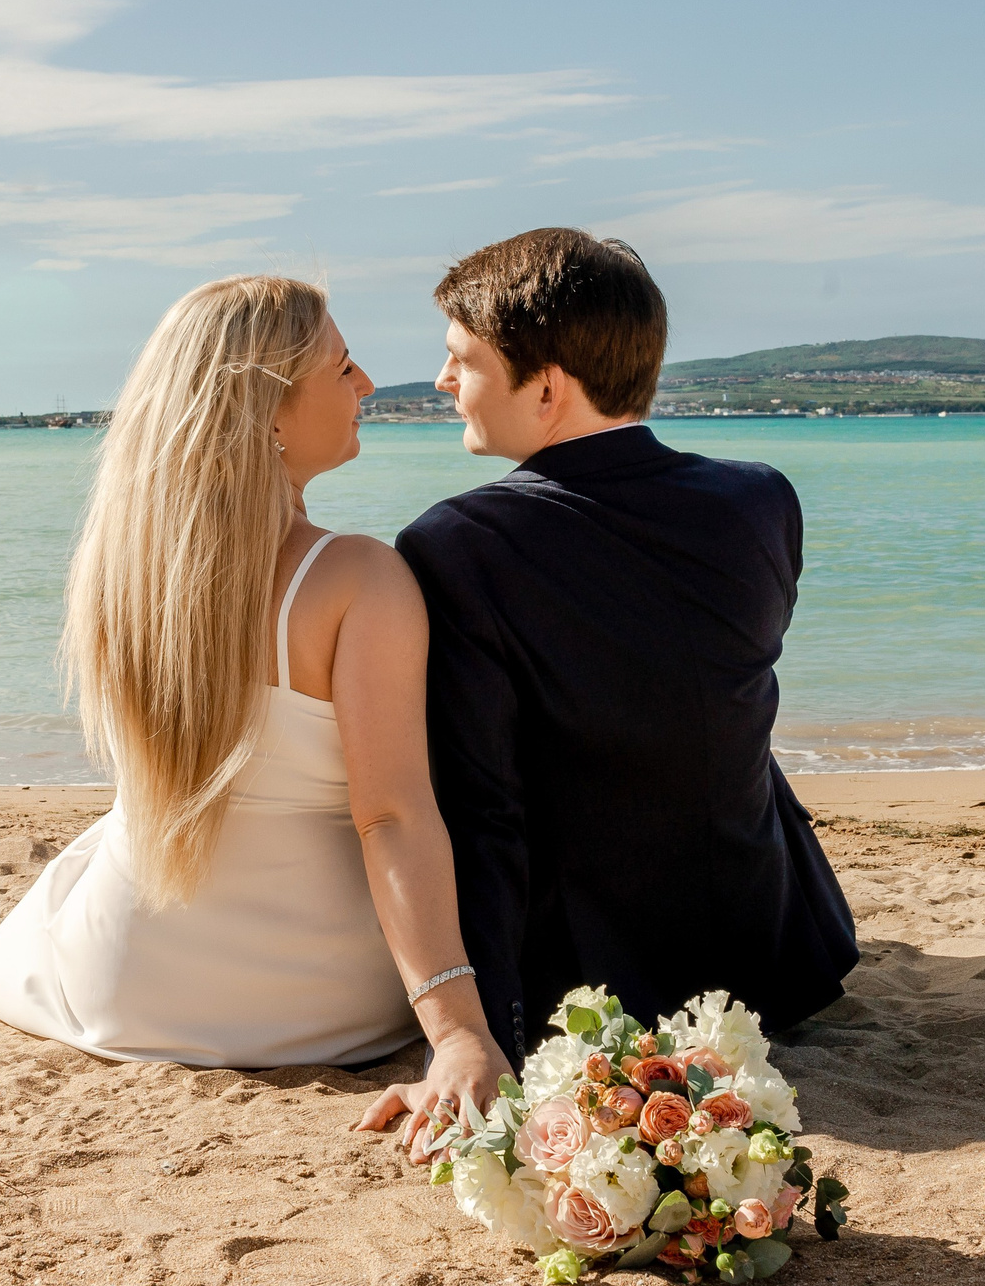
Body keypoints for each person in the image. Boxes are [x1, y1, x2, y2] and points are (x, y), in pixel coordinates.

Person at [0, 275, 512, 1130]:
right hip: (320, 1002)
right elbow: (392, 816)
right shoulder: (358, 579)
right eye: (341, 368)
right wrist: (458, 1032)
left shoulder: (126, 572)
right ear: (268, 415)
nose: (367, 382)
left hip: (128, 983)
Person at [363, 230, 859, 1150]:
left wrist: (484, 1033)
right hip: (776, 952)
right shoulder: (762, 499)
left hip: (592, 981)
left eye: (460, 359)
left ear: (547, 386)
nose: (441, 382)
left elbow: (487, 809)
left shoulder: (455, 545)